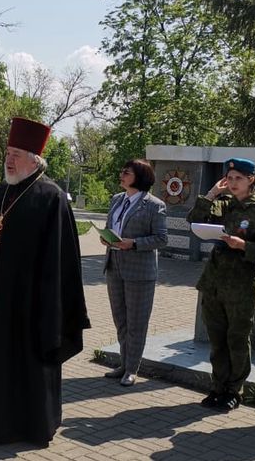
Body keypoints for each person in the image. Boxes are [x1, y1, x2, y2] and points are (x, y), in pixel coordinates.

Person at [0, 117, 90, 446]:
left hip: (29, 307)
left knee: (24, 365)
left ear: (35, 159)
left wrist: (49, 309)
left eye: (17, 154)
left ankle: (26, 424)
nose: (9, 160)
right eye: (7, 153)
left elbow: (61, 261)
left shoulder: (51, 197)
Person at [186, 157, 255, 412]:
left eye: (239, 178)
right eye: (230, 178)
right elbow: (194, 220)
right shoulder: (222, 204)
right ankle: (217, 387)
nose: (234, 183)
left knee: (236, 340)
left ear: (251, 180)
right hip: (214, 281)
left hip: (241, 285)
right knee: (217, 339)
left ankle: (234, 391)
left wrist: (244, 246)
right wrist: (213, 192)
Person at [101, 159, 168, 387]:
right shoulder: (116, 200)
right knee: (120, 319)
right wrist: (106, 238)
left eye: (126, 172)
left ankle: (132, 369)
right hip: (115, 264)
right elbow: (114, 227)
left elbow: (161, 238)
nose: (121, 174)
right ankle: (123, 362)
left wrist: (135, 243)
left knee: (136, 322)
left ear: (140, 176)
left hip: (139, 270)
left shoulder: (154, 205)